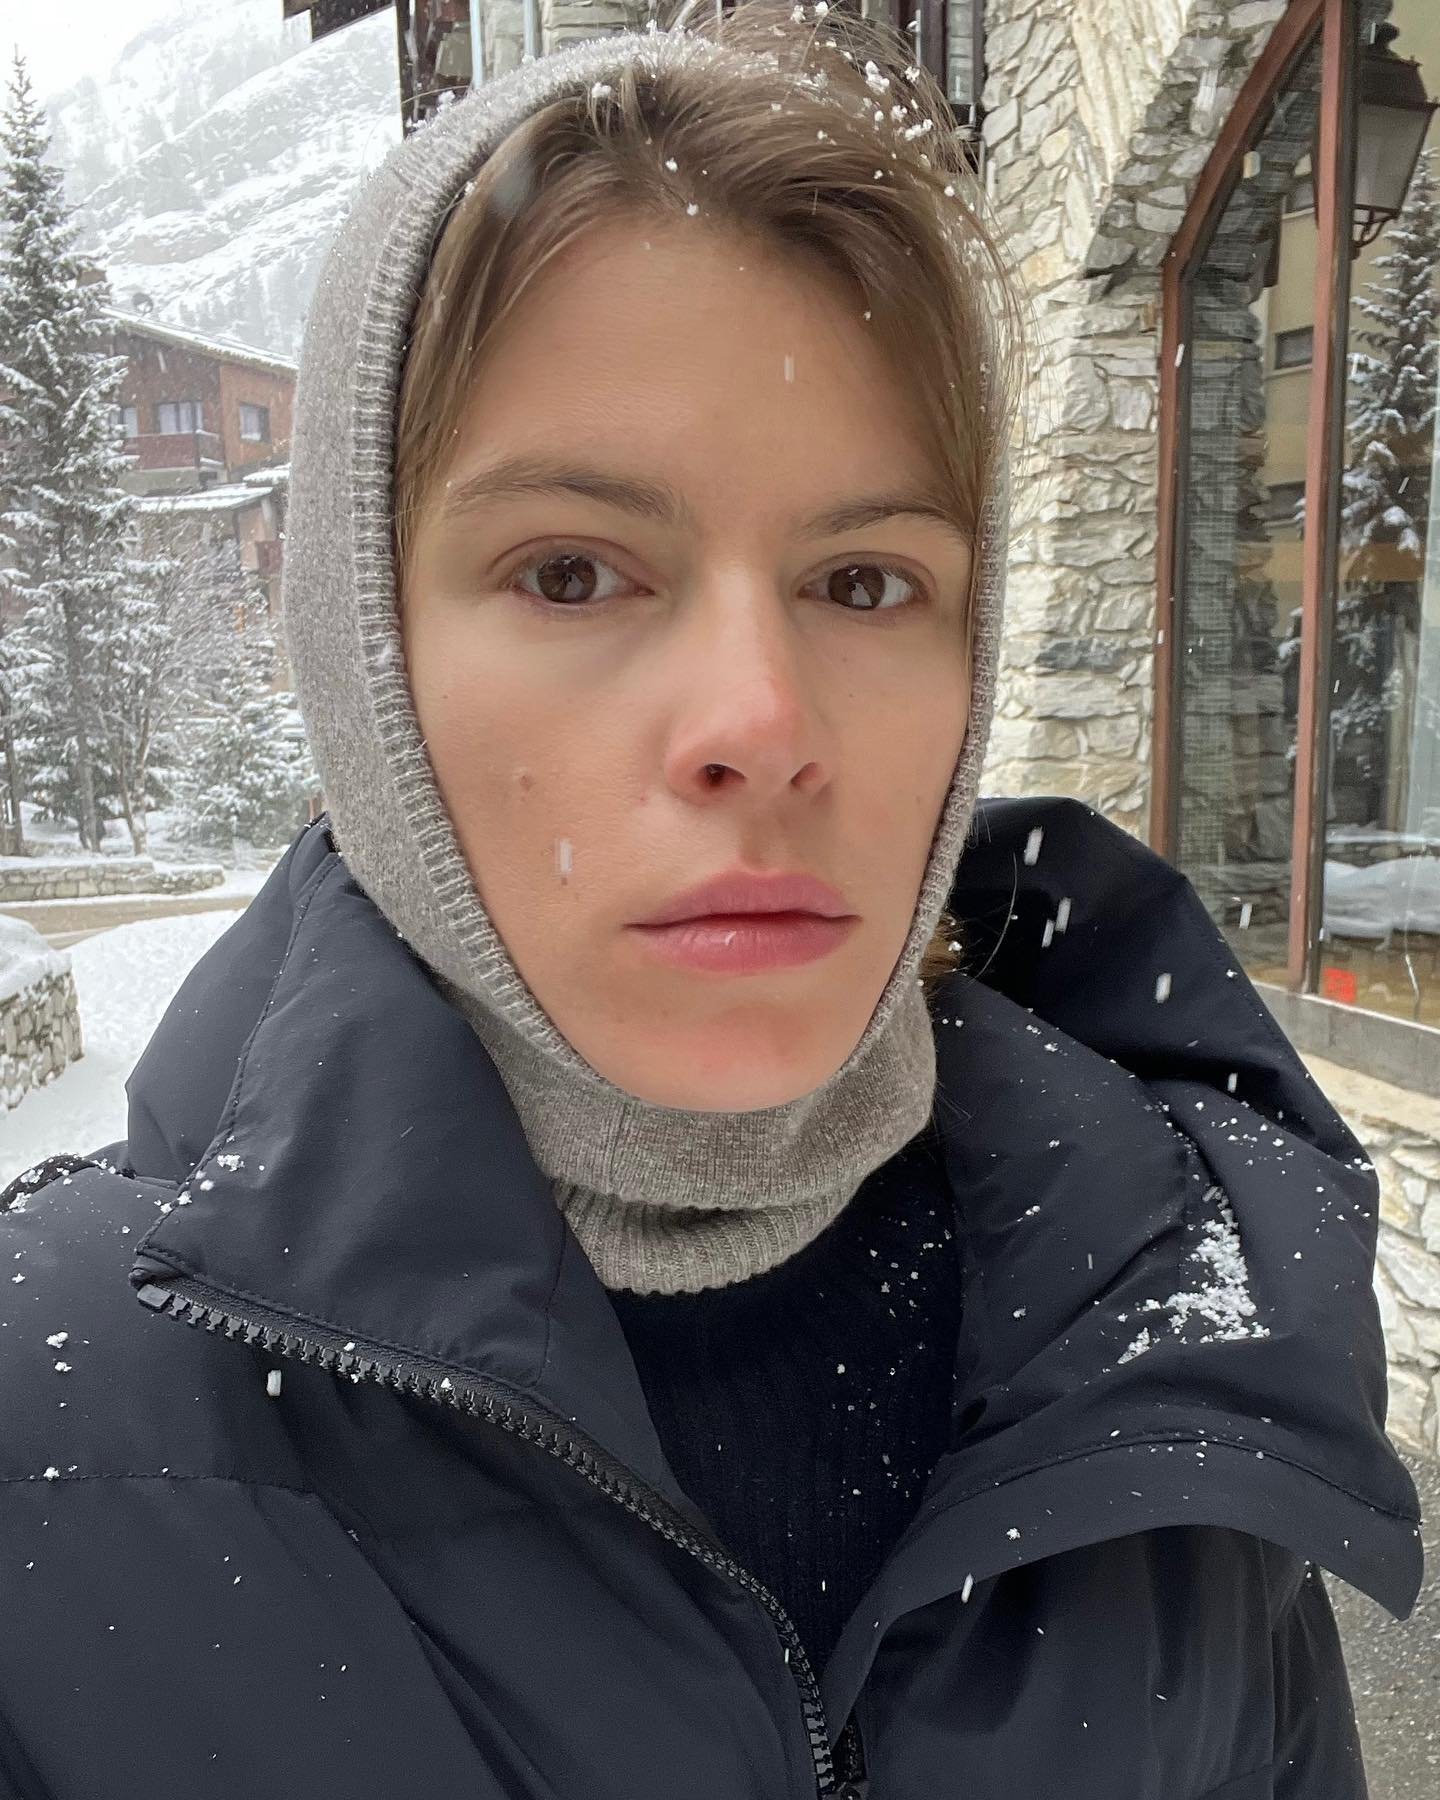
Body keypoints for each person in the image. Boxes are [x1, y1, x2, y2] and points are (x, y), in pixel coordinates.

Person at [0, 6, 1423, 1796]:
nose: (761, 724)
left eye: (864, 580)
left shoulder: (1164, 1340)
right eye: (573, 572)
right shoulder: (46, 1446)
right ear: (366, 654)